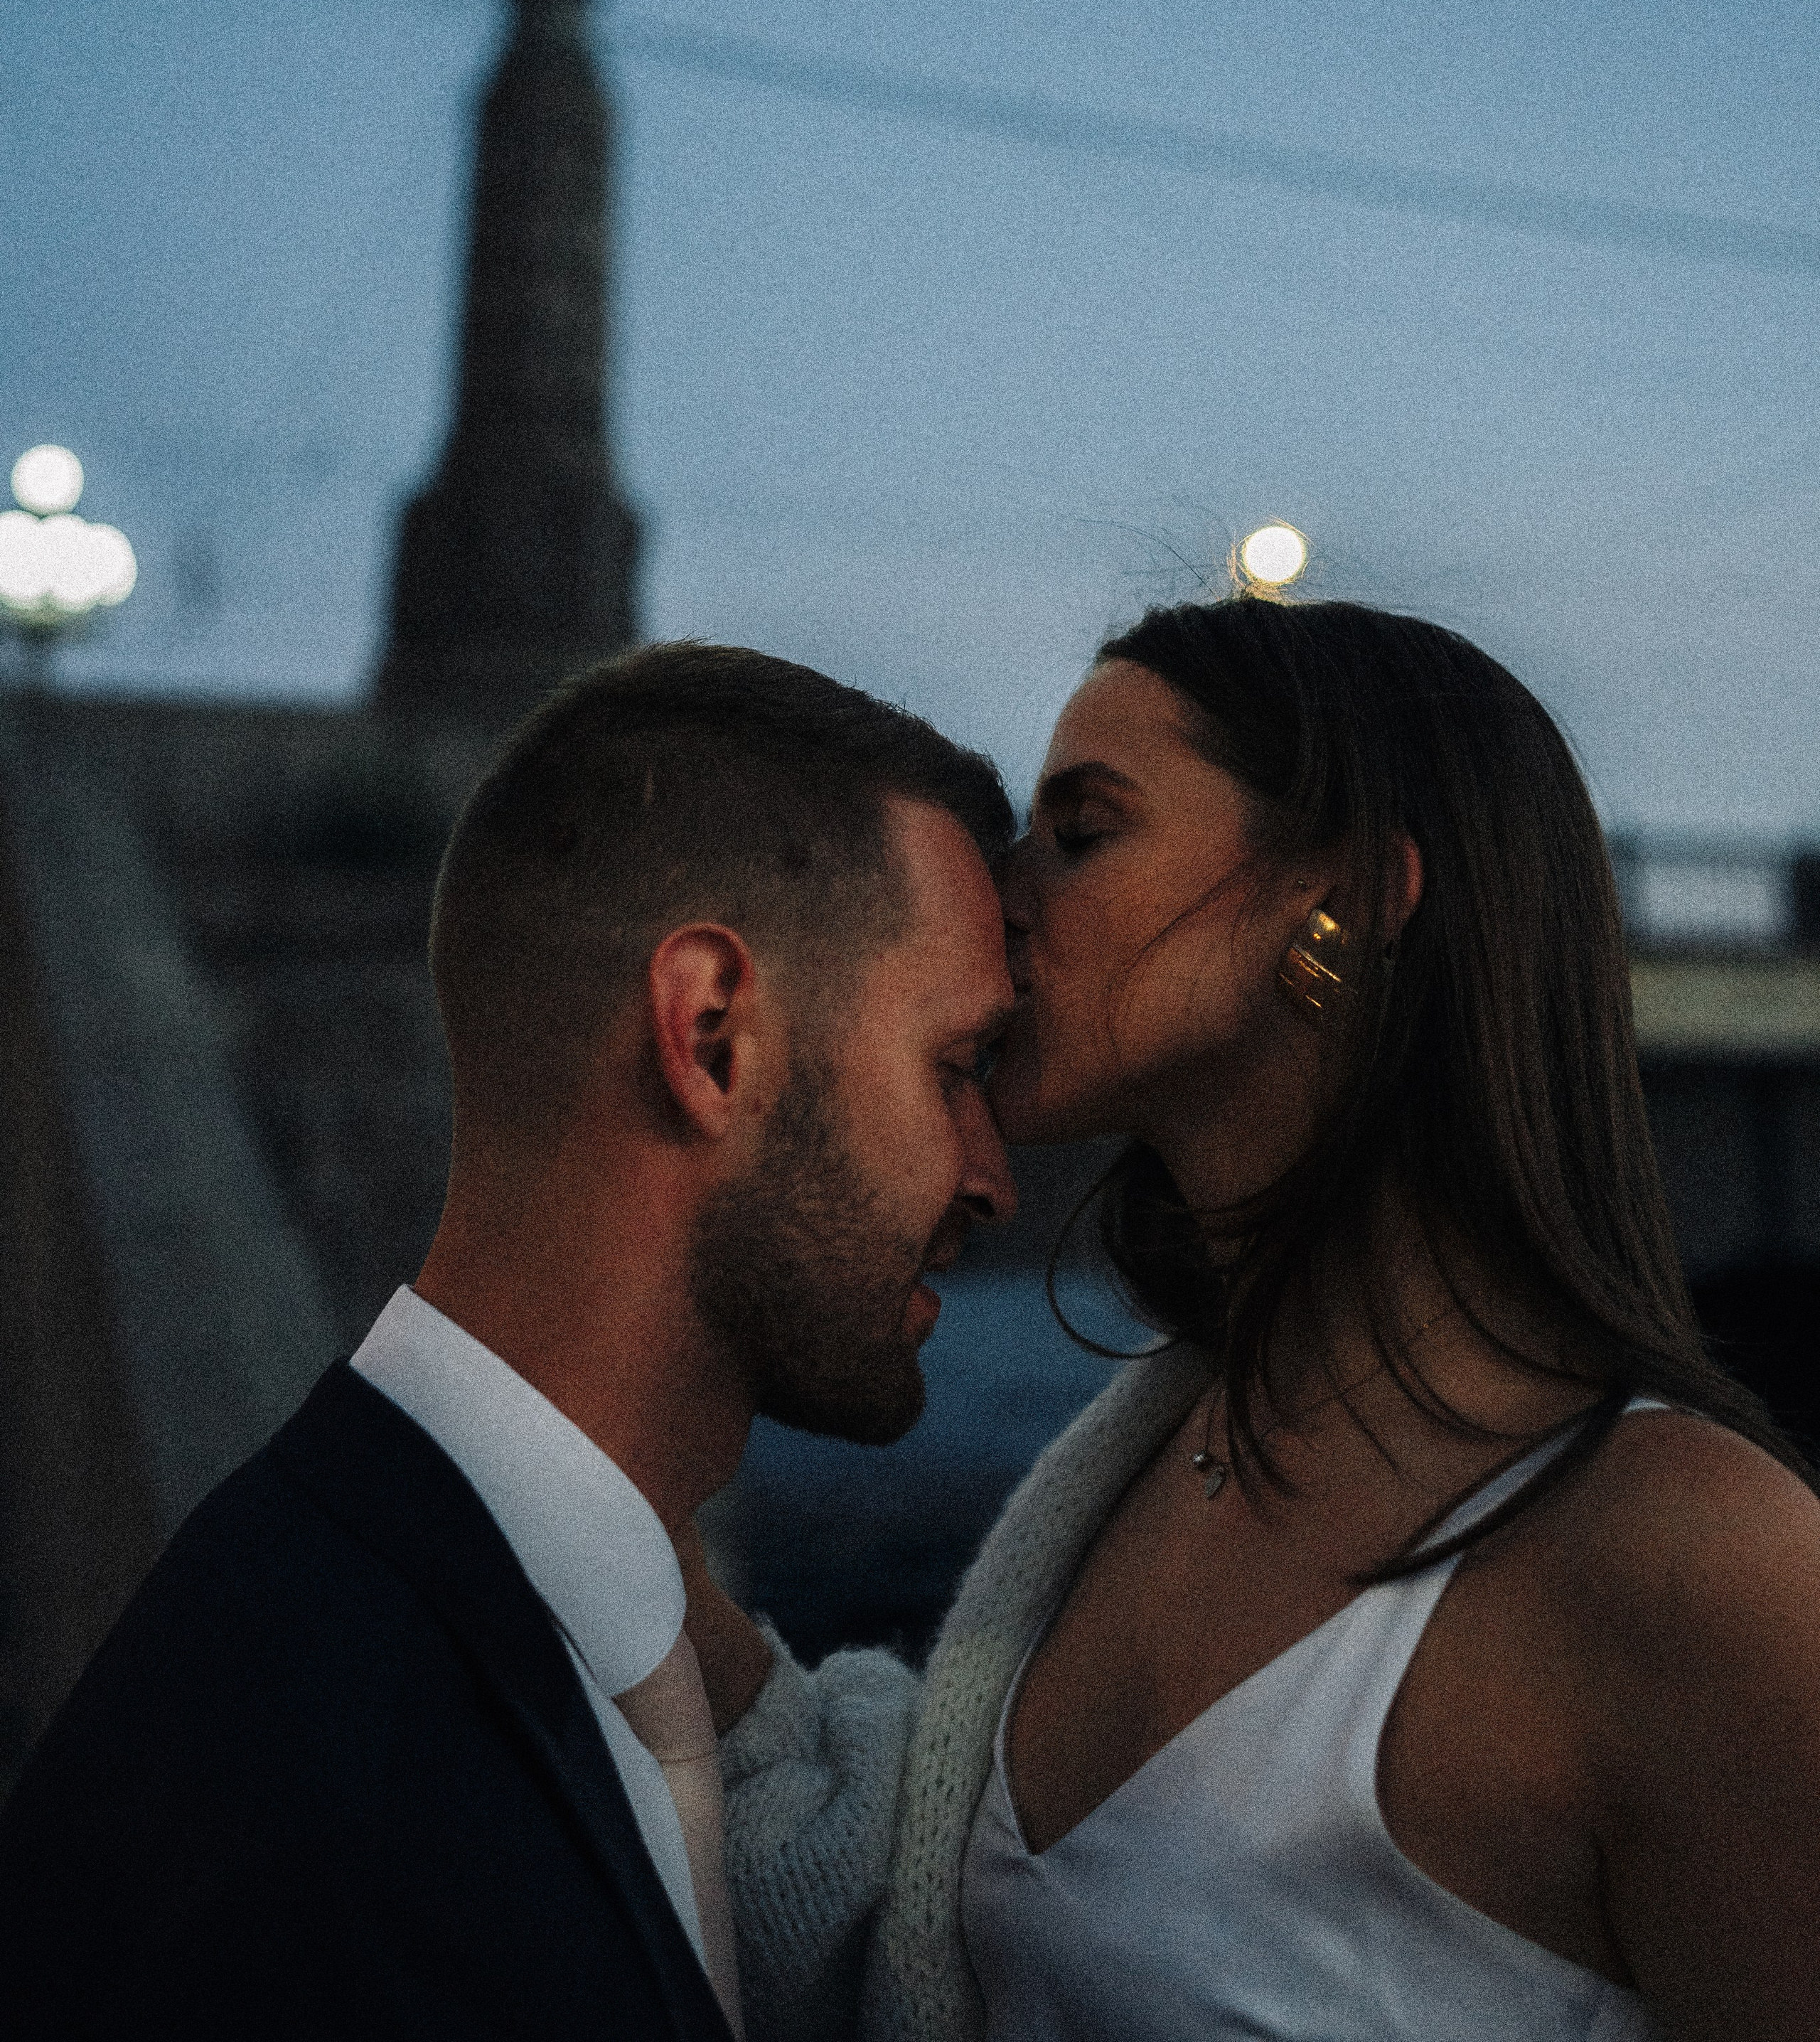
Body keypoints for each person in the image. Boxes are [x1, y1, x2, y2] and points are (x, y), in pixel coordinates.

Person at [686, 597, 1820, 2042]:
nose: (995, 891)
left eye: (1082, 831)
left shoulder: (1690, 1560)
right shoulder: (1150, 1464)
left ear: (1341, 895)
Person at [0, 643, 1019, 2039]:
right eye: (953, 1070)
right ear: (712, 1036)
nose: (992, 1177)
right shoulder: (331, 1809)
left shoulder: (431, 1629)